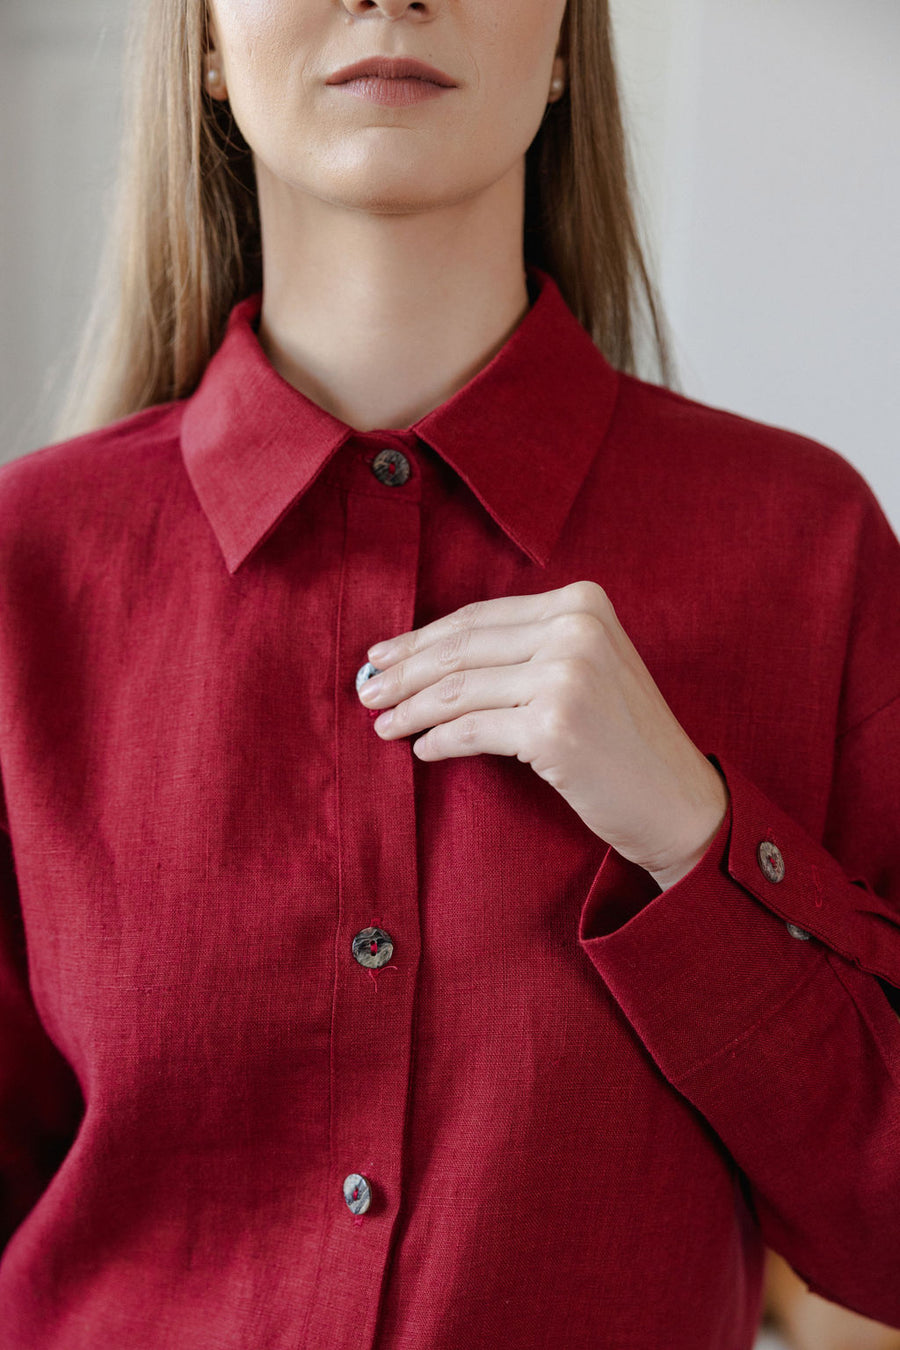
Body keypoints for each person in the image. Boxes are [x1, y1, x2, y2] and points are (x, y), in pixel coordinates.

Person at [0, 1, 897, 1346]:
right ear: (205, 42)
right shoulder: (27, 568)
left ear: (565, 43)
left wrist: (694, 840)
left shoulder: (807, 551)